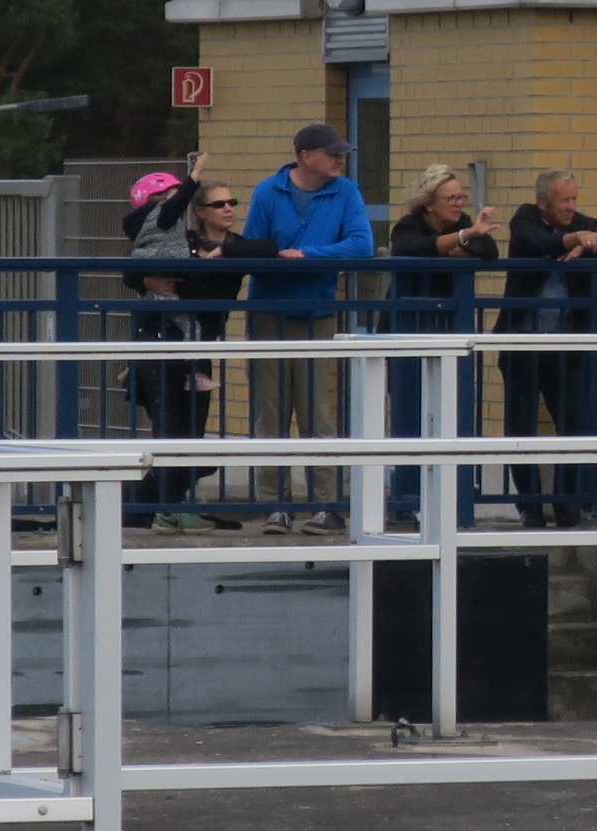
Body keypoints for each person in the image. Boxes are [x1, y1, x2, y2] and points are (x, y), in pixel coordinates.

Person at [239, 122, 379, 530]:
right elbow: (253, 249)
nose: (340, 160)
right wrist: (280, 259)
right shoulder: (268, 192)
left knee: (318, 413)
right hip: (270, 313)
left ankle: (325, 504)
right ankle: (274, 505)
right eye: (332, 154)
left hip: (319, 313)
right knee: (271, 410)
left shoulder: (346, 192)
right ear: (306, 156)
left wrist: (307, 255)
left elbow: (362, 245)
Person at [121, 160, 271, 530]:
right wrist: (148, 282)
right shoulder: (182, 241)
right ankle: (157, 509)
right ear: (200, 211)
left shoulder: (236, 246)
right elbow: (132, 266)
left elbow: (269, 249)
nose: (228, 209)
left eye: (232, 203)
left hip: (200, 347)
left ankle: (155, 507)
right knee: (170, 430)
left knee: (193, 433)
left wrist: (221, 255)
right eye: (219, 204)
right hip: (162, 341)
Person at [504, 167, 597, 528]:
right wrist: (575, 240)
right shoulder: (525, 218)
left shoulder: (584, 223)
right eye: (564, 201)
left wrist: (587, 243)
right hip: (522, 342)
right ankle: (529, 506)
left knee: (573, 423)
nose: (571, 207)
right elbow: (538, 243)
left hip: (566, 344)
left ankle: (566, 503)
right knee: (521, 427)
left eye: (574, 199)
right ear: (543, 201)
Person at [381, 164, 503, 526]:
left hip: (446, 329)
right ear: (429, 202)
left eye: (461, 197)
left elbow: (488, 250)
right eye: (450, 198)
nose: (458, 203)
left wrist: (461, 239)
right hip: (406, 330)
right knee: (409, 412)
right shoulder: (409, 225)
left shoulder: (462, 222)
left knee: (447, 410)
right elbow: (410, 249)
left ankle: (447, 498)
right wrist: (462, 239)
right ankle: (405, 498)